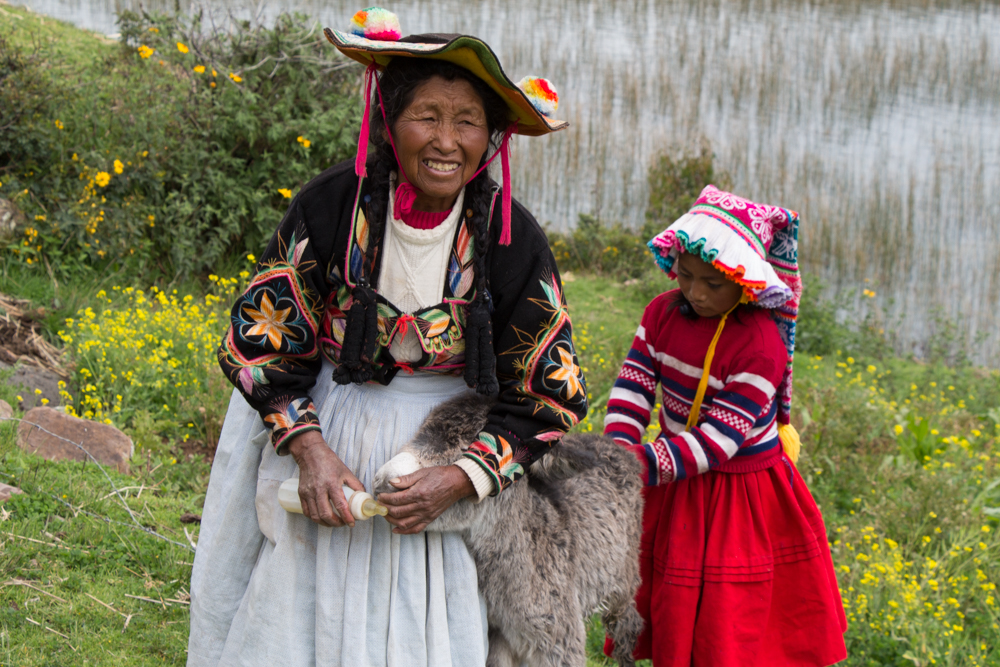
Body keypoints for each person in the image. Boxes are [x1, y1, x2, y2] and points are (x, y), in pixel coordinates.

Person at [186, 8, 587, 666]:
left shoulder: (511, 241)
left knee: (419, 628)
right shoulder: (328, 209)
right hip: (326, 429)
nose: (447, 141)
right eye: (428, 115)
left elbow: (551, 394)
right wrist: (310, 452)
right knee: (295, 621)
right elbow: (263, 343)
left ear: (490, 136)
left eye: (467, 121)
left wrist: (460, 477)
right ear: (387, 122)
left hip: (437, 458)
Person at [603, 185, 847, 666]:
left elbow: (717, 442)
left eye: (713, 284)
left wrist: (632, 465)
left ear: (748, 282)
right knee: (669, 595)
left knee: (728, 612)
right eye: (685, 275)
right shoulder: (661, 312)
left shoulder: (760, 345)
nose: (694, 292)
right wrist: (618, 447)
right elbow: (633, 384)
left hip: (741, 495)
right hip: (675, 480)